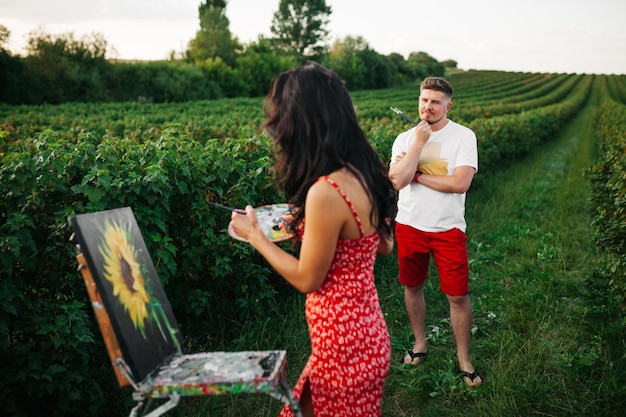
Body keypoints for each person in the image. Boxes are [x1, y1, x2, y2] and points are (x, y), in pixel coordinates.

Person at [229, 62, 397, 417]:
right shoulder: (362, 173)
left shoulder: (325, 191)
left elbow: (308, 278)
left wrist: (256, 236)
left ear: (301, 124)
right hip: (365, 335)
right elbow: (382, 245)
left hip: (342, 347)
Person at [388, 76, 482, 387]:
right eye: (424, 100)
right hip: (410, 225)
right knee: (412, 286)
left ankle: (464, 359)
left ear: (448, 105)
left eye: (435, 102)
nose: (428, 107)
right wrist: (418, 142)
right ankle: (420, 344)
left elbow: (459, 183)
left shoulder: (463, 137)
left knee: (457, 295)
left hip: (447, 229)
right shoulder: (405, 139)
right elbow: (396, 181)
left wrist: (415, 173)